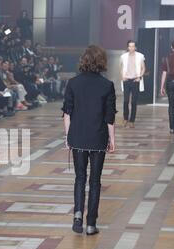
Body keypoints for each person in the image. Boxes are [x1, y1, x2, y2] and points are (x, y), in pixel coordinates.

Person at [62, 45, 117, 236]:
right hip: (98, 136)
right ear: (102, 61)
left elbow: (67, 112)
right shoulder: (107, 85)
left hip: (77, 136)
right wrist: (112, 139)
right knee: (95, 181)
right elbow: (109, 116)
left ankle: (77, 214)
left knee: (79, 178)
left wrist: (68, 136)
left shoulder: (73, 83)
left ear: (83, 60)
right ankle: (91, 223)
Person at [120, 40, 146, 128]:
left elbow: (143, 68)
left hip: (135, 80)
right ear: (127, 47)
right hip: (126, 80)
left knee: (134, 102)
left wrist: (140, 77)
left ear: (135, 47)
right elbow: (121, 67)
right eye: (130, 46)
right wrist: (122, 76)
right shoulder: (123, 56)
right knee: (126, 100)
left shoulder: (140, 56)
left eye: (133, 46)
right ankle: (125, 118)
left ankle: (132, 120)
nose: (132, 48)